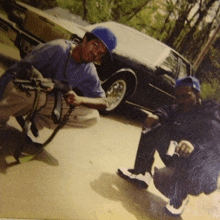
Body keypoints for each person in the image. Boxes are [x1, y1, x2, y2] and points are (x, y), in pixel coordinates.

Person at [117, 76, 220, 216]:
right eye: (178, 97)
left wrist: (194, 145)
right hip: (182, 159)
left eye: (186, 96)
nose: (182, 101)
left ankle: (179, 199)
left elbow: (213, 141)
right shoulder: (181, 107)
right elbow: (167, 109)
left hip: (200, 170)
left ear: (198, 94)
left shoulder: (212, 112)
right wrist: (157, 116)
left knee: (162, 178)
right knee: (153, 126)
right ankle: (141, 173)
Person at [0, 26, 117, 139]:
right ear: (85, 40)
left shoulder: (89, 70)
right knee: (39, 97)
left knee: (92, 116)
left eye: (101, 53)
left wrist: (80, 100)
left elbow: (104, 102)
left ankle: (35, 123)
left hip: (44, 101)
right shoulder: (58, 48)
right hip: (20, 90)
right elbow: (18, 69)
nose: (96, 53)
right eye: (95, 45)